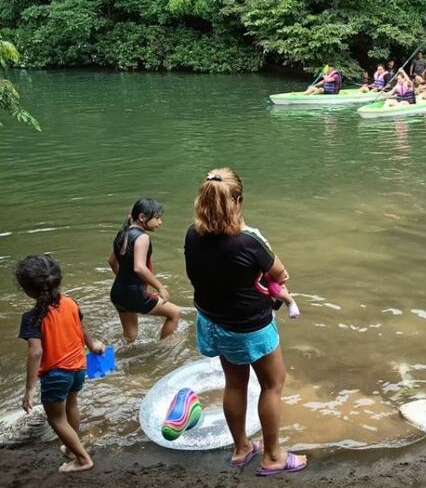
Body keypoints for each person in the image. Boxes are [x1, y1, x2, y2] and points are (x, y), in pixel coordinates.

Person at [185, 168, 307, 476]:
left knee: (235, 383)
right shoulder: (248, 241)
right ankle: (273, 456)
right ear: (237, 201)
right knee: (273, 385)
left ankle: (241, 448)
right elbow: (280, 273)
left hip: (213, 321)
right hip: (250, 327)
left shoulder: (192, 234)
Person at [17, 254, 104, 473]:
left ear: (28, 290)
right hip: (78, 368)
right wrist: (92, 346)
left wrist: (29, 389)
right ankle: (71, 447)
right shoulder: (71, 302)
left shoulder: (32, 317)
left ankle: (83, 459)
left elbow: (36, 351)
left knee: (56, 418)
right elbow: (82, 328)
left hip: (56, 374)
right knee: (71, 405)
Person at [108, 198, 181, 343]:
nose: (160, 222)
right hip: (133, 294)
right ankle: (163, 350)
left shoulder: (122, 233)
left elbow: (111, 261)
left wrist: (125, 282)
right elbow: (139, 267)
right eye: (157, 218)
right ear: (142, 218)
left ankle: (117, 359)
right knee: (175, 313)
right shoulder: (142, 237)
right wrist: (160, 287)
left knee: (130, 336)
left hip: (117, 292)